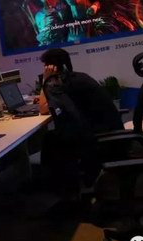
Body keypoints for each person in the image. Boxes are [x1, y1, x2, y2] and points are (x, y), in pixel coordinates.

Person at [38, 48, 124, 211]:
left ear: (50, 68)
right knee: (52, 138)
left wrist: (45, 79)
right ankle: (63, 188)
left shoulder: (61, 84)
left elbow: (43, 108)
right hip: (107, 127)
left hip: (98, 135)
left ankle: (62, 193)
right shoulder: (77, 78)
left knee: (52, 141)